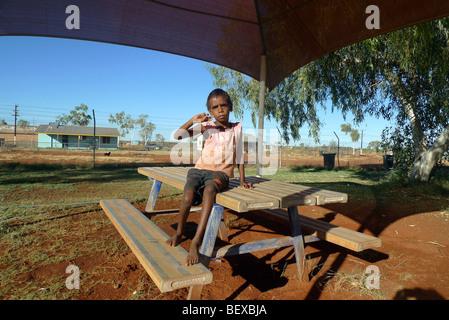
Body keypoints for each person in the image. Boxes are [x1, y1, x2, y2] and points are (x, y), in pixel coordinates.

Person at [166, 88, 253, 266]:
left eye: (223, 105)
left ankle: (197, 240)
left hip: (221, 174)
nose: (220, 110)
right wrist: (192, 120)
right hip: (198, 170)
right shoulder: (207, 127)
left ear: (230, 107)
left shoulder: (237, 128)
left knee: (209, 191)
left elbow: (239, 155)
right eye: (215, 107)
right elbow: (178, 136)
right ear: (210, 111)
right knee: (188, 196)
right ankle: (179, 232)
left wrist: (242, 180)